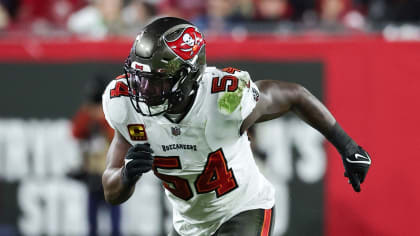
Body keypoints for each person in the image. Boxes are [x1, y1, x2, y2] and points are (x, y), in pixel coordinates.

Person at [101, 17, 371, 236]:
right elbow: (111, 191)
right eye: (139, 78)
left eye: (158, 81)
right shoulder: (125, 104)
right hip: (188, 225)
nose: (144, 91)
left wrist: (347, 146)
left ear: (187, 77)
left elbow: (294, 95)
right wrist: (126, 175)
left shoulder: (224, 100)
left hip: (242, 208)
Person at [70, 75, 121, 236]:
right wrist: (90, 115)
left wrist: (102, 118)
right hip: (92, 175)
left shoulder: (112, 113)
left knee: (115, 224)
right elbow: (75, 132)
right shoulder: (86, 115)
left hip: (110, 174)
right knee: (92, 224)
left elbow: (116, 137)